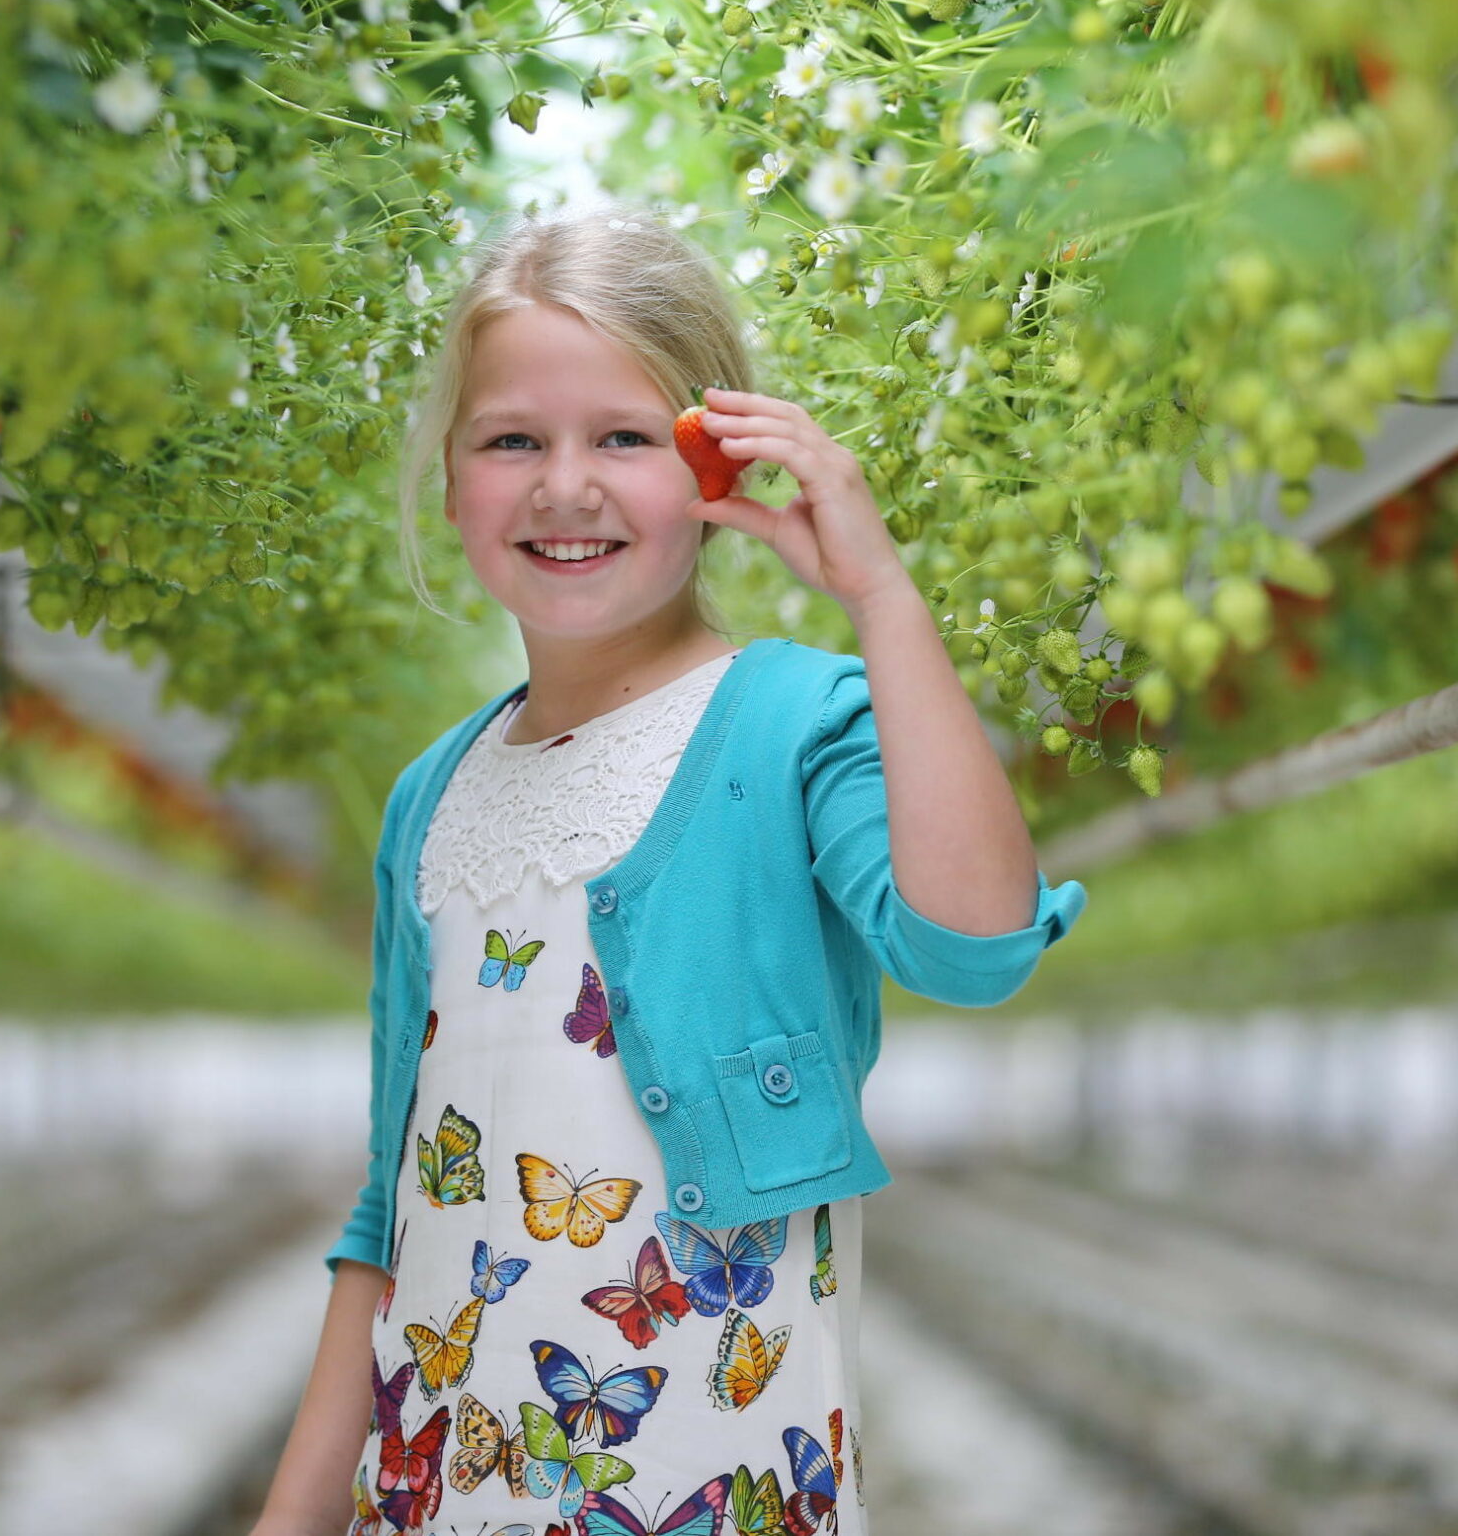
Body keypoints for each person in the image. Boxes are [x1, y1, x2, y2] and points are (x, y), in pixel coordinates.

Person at [249, 205, 1087, 1536]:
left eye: (625, 439)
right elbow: (387, 1203)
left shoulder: (792, 722)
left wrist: (884, 600)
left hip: (702, 1489)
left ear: (717, 466)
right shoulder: (430, 801)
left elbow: (970, 946)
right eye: (510, 438)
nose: (564, 487)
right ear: (453, 477)